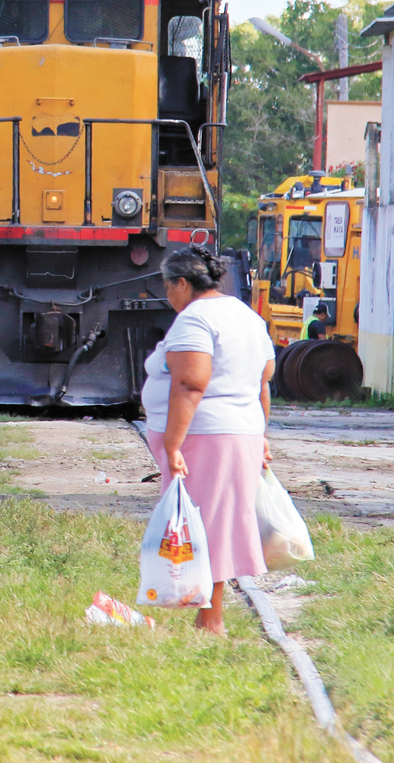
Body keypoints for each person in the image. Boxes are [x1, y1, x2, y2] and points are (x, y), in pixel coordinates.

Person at [141, 245, 275, 634]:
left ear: (183, 283)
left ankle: (211, 620)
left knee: (205, 527)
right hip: (238, 431)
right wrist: (262, 434)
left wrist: (173, 443)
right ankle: (205, 613)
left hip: (205, 435)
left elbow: (189, 383)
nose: (168, 294)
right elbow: (263, 380)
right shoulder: (246, 315)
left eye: (168, 286)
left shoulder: (195, 319)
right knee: (216, 523)